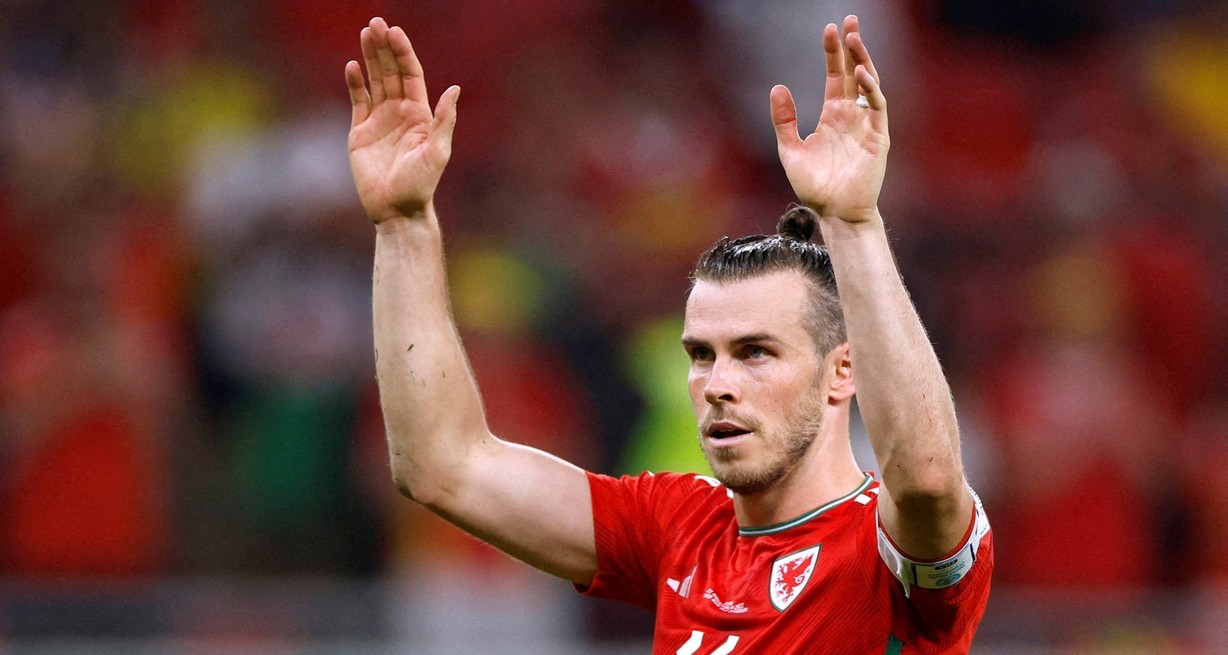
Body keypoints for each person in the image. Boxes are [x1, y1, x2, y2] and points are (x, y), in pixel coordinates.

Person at [345, 13, 993, 654]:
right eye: (702, 354)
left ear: (841, 371)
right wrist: (404, 224)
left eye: (756, 352)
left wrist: (853, 225)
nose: (718, 383)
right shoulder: (679, 525)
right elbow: (443, 466)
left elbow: (928, 481)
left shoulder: (888, 548)